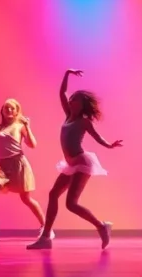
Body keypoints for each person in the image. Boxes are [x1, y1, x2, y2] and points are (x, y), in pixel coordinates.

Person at [26, 69, 121, 250]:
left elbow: (97, 136)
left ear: (82, 104)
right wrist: (67, 74)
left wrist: (109, 145)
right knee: (53, 194)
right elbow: (62, 93)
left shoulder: (84, 121)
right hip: (70, 164)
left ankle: (101, 226)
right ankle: (46, 236)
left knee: (71, 204)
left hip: (81, 163)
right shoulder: (68, 115)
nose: (70, 101)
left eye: (74, 100)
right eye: (71, 99)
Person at [0, 99, 50, 242]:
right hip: (2, 166)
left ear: (17, 111)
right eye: (6, 108)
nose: (9, 110)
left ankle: (45, 227)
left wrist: (28, 127)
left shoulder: (19, 126)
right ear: (2, 111)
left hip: (18, 163)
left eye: (12, 108)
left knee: (26, 198)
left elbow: (32, 145)